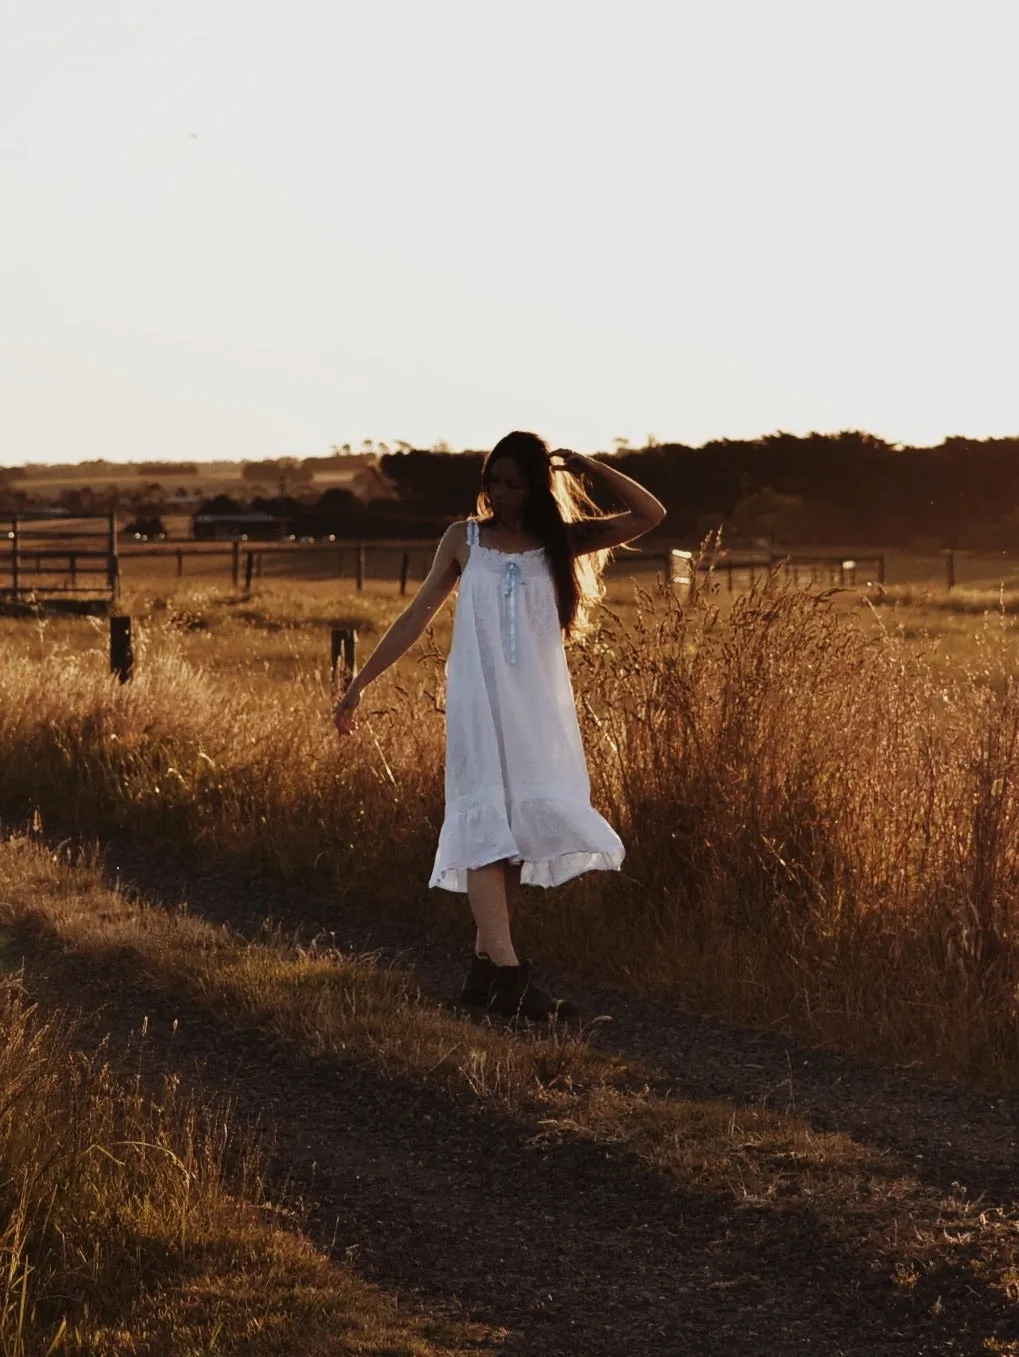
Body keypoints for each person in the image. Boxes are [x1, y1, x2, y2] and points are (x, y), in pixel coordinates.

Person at [333, 431, 666, 1020]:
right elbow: (417, 615)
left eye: (514, 483)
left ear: (536, 485)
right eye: (493, 481)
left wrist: (587, 466)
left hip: (537, 707)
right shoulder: (465, 540)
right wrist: (360, 684)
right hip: (479, 702)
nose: (500, 494)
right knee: (487, 824)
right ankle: (512, 979)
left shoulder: (559, 541)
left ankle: (481, 976)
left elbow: (651, 513)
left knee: (512, 834)